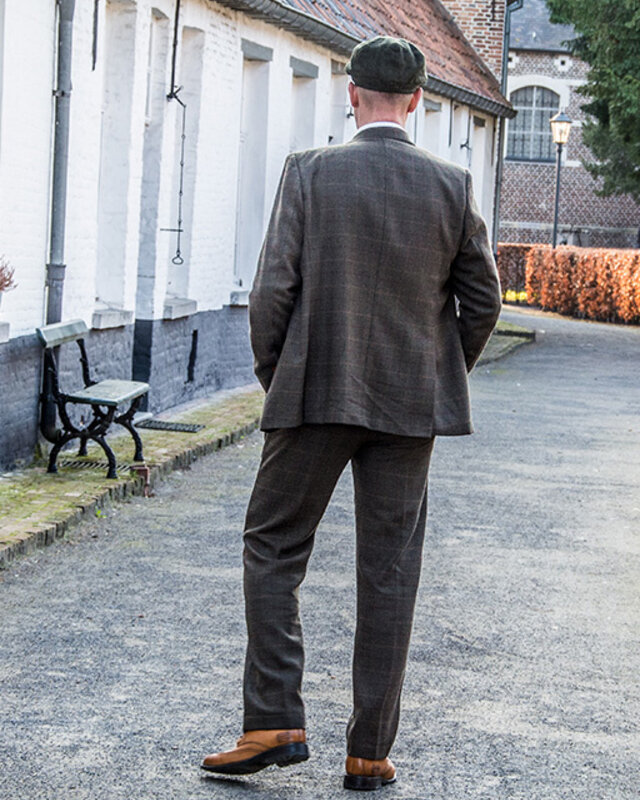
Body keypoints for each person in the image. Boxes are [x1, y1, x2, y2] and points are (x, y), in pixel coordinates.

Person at [201, 35, 501, 791]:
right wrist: (436, 373)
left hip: (314, 391)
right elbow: (484, 301)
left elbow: (273, 292)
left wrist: (281, 374)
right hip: (410, 404)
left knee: (272, 546)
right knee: (391, 571)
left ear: (350, 93)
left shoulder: (310, 173)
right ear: (419, 101)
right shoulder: (454, 185)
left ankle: (272, 718)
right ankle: (369, 752)